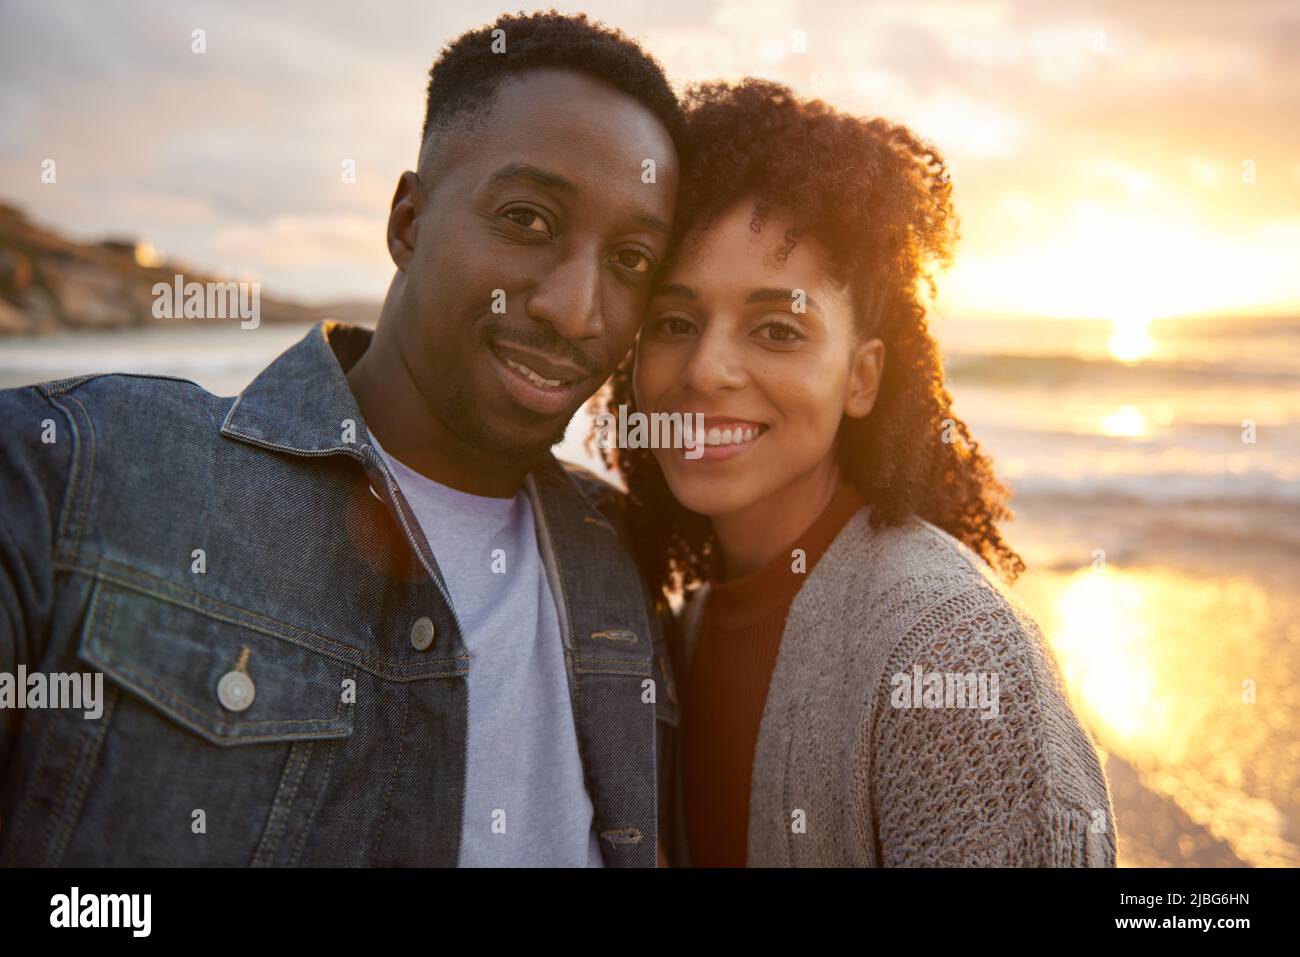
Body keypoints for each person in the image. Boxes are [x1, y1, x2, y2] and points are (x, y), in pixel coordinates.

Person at [0, 12, 681, 867]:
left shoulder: (626, 556)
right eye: (529, 219)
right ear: (407, 221)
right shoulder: (79, 471)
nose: (577, 311)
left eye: (630, 261)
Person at [598, 78, 1118, 866]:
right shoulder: (683, 627)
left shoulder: (947, 650)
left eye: (777, 329)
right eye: (674, 322)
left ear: (861, 377)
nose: (706, 369)